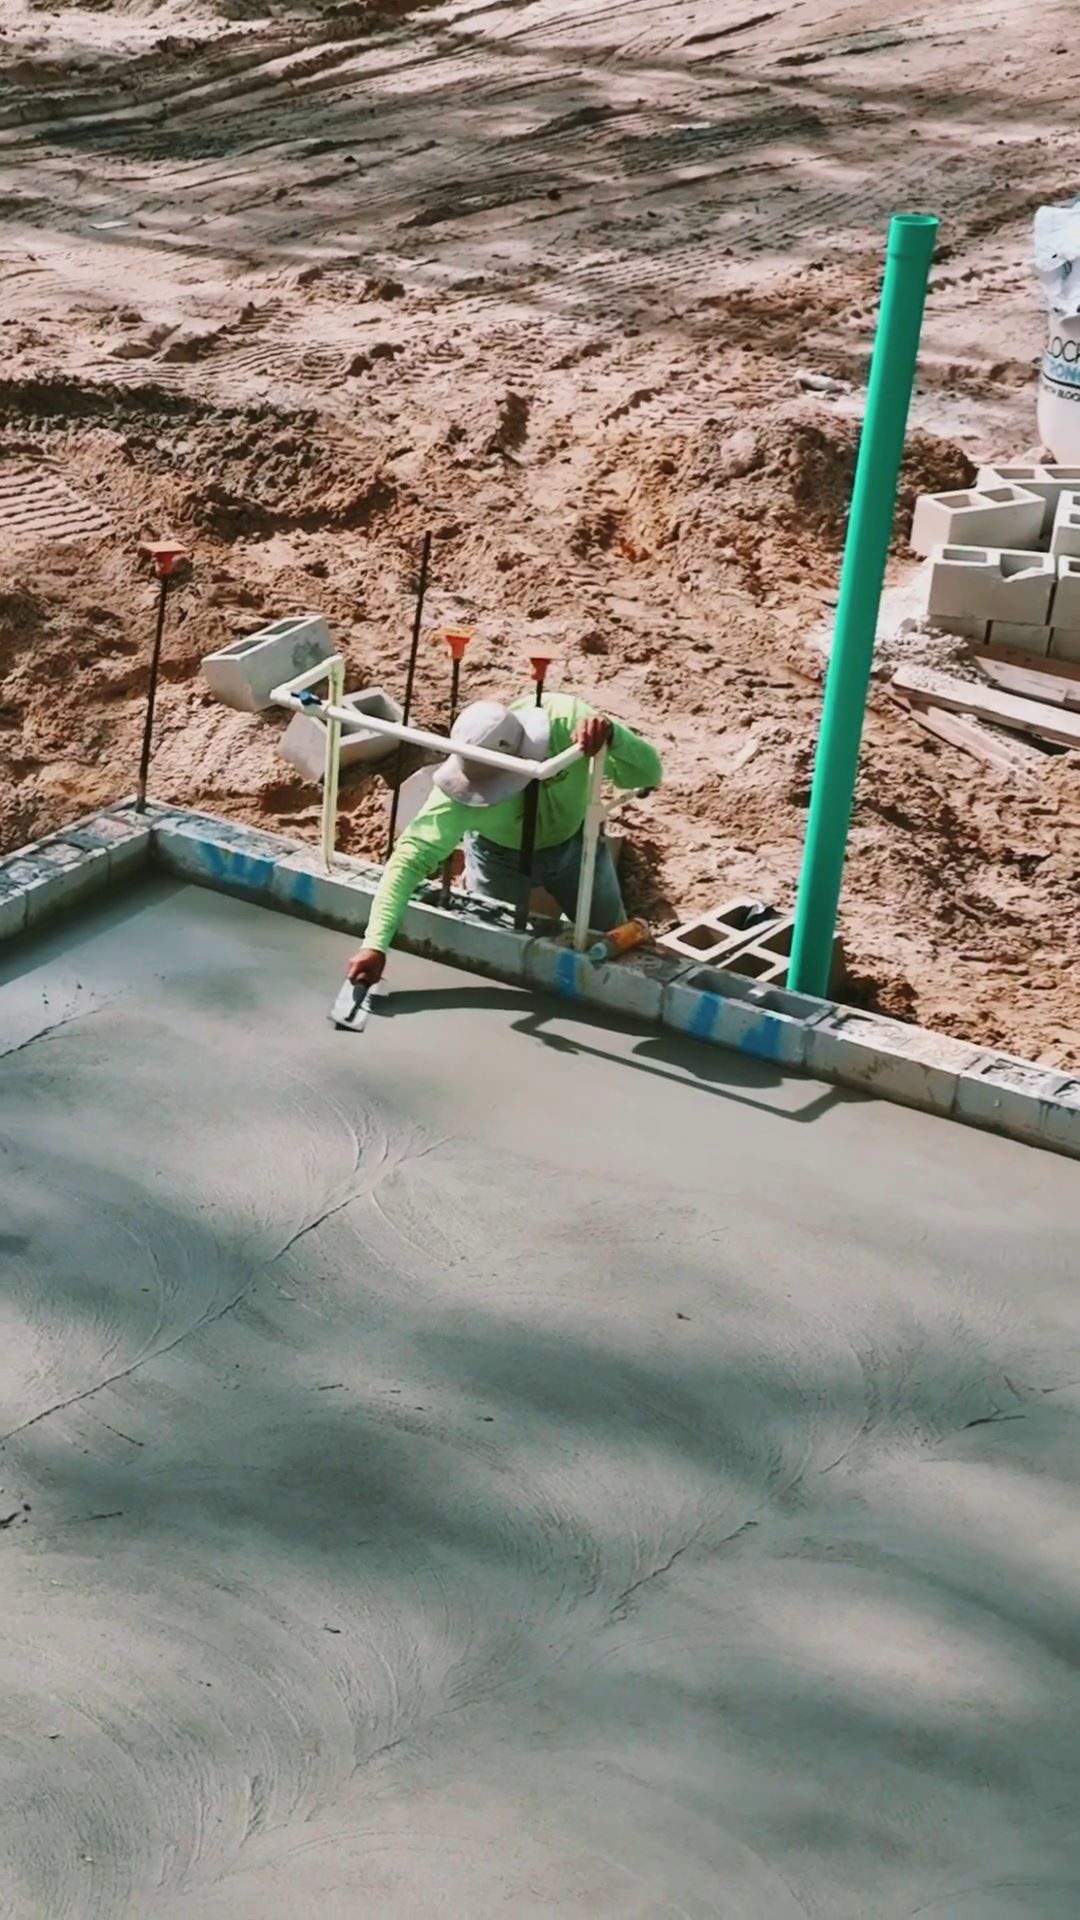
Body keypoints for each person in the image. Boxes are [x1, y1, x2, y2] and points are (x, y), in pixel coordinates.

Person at [346, 690, 662, 987]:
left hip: (577, 847)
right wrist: (375, 945)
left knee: (613, 944)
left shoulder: (568, 724)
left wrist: (613, 738)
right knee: (494, 957)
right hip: (498, 860)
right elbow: (408, 862)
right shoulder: (458, 798)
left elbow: (648, 775)